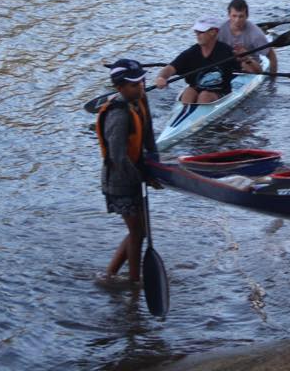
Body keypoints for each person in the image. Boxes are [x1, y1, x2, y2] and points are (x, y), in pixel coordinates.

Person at [95, 59, 159, 283]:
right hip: (119, 180)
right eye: (134, 84)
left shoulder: (141, 98)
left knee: (138, 231)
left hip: (136, 173)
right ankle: (134, 281)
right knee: (137, 232)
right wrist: (144, 178)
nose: (141, 87)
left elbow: (149, 132)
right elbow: (118, 158)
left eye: (142, 81)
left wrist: (154, 162)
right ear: (119, 88)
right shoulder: (118, 114)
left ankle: (110, 275)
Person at [155, 16, 241, 104]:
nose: (197, 34)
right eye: (196, 31)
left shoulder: (227, 51)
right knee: (189, 92)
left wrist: (246, 60)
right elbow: (170, 68)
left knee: (204, 96)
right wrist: (161, 77)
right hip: (196, 89)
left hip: (220, 92)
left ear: (214, 32)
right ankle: (186, 114)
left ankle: (199, 115)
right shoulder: (191, 53)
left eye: (201, 32)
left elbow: (250, 70)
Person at [218, 0, 278, 73]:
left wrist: (272, 81)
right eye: (234, 16)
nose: (237, 20)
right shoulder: (220, 30)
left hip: (250, 66)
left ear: (247, 16)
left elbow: (272, 57)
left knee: (244, 64)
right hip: (229, 64)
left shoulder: (256, 33)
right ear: (229, 15)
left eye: (241, 16)